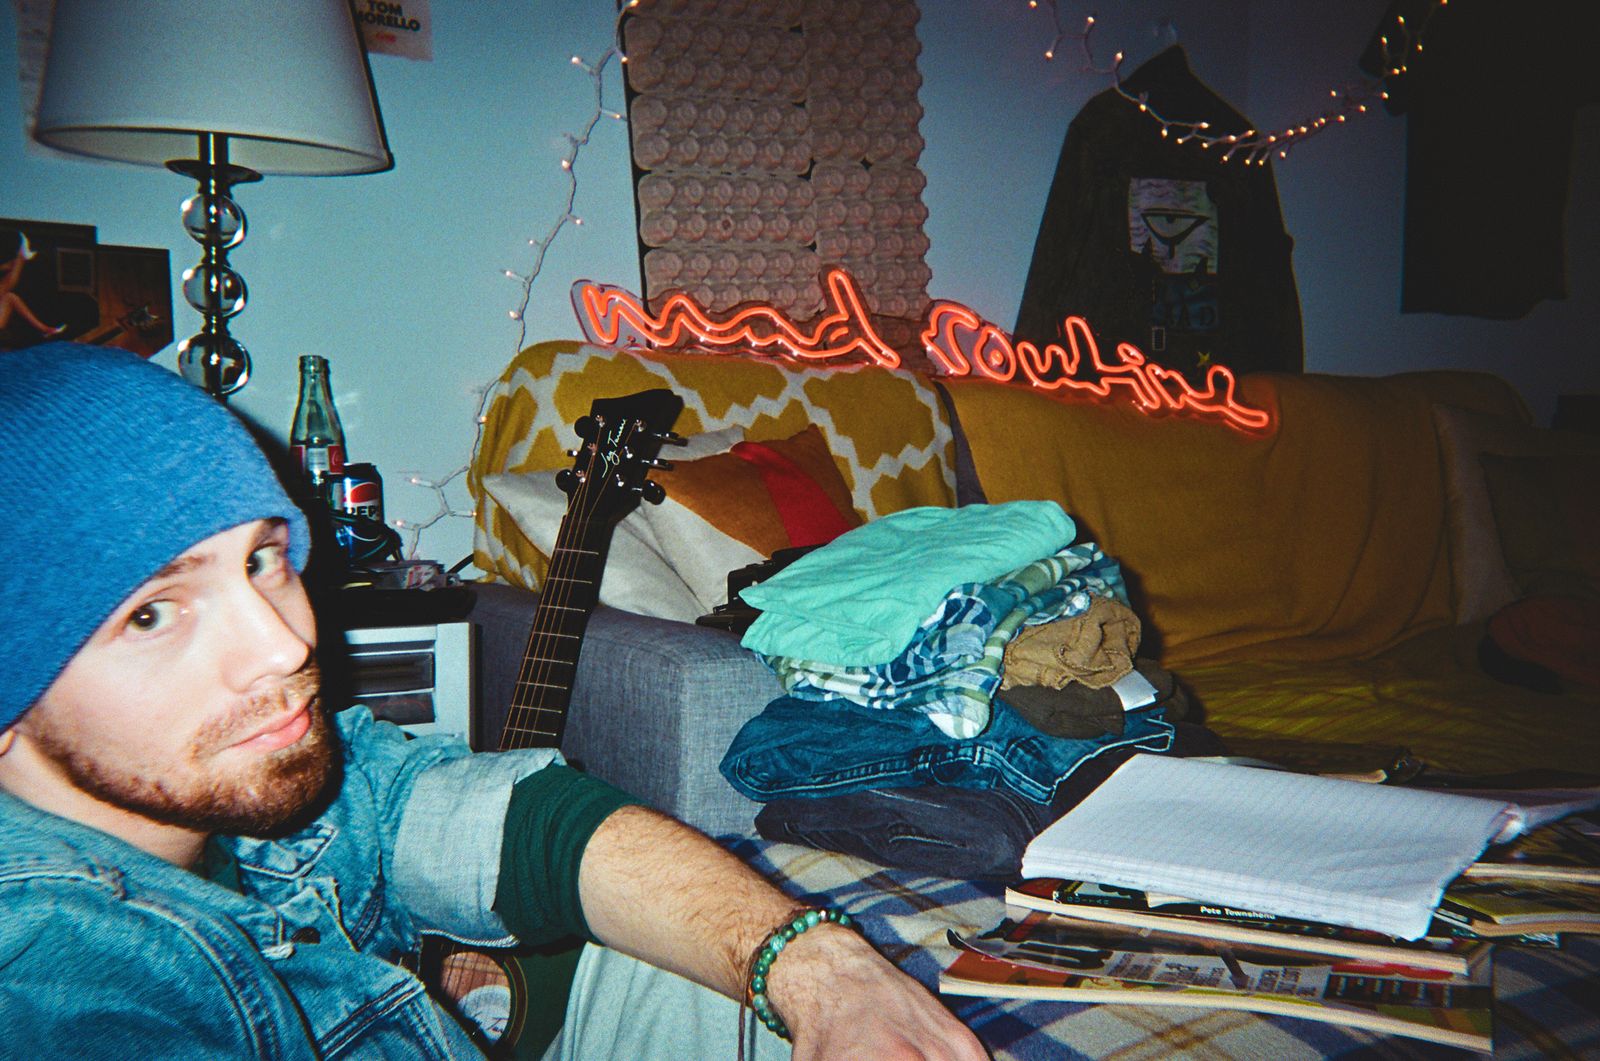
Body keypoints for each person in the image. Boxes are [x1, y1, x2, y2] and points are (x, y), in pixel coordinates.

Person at [0, 342, 989, 1061]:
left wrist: (820, 968)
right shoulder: (55, 974)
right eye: (152, 614)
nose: (284, 642)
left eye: (262, 559)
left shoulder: (267, 787)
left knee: (700, 948)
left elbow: (521, 818)